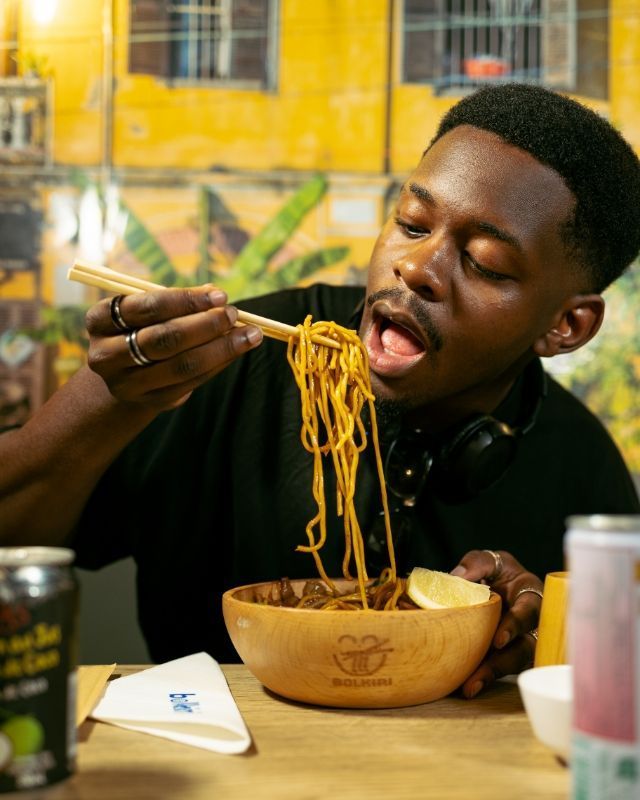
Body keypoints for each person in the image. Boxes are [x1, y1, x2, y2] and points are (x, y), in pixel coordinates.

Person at [2, 83, 640, 698]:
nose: (415, 268)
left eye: (484, 264)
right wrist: (108, 401)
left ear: (567, 325)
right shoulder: (229, 363)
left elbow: (616, 686)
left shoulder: (583, 471)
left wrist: (545, 647)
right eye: (413, 224)